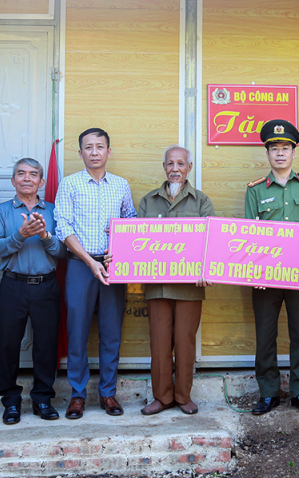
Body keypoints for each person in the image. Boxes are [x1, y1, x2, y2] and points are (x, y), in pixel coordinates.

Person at [54, 128, 136, 419]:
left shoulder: (121, 185)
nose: (94, 152)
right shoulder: (70, 184)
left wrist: (120, 244)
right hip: (80, 265)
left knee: (111, 333)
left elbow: (131, 220)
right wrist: (89, 261)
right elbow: (63, 226)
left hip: (113, 267)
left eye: (100, 146)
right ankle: (77, 395)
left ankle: (108, 393)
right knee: (77, 332)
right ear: (80, 153)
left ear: (108, 151)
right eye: (88, 147)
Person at [244, 119, 299, 416]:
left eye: (285, 148)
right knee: (265, 334)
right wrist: (254, 273)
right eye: (274, 148)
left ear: (293, 152)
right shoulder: (255, 190)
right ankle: (268, 392)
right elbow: (249, 234)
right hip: (265, 275)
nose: (280, 153)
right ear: (267, 153)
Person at [137, 145, 215, 416]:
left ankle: (183, 396)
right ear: (164, 167)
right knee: (159, 342)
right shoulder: (148, 201)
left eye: (181, 164)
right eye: (170, 163)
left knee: (184, 342)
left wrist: (207, 271)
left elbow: (211, 242)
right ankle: (162, 397)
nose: (175, 169)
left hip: (189, 287)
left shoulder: (201, 201)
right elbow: (136, 241)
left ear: (189, 168)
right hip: (156, 286)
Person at [0, 158, 67, 425]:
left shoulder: (54, 211)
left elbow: (63, 251)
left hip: (46, 286)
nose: (27, 178)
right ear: (13, 180)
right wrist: (20, 234)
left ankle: (42, 398)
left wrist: (45, 236)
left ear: (41, 182)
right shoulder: (1, 211)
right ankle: (10, 401)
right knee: (8, 345)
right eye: (21, 174)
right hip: (13, 285)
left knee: (46, 345)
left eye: (33, 174)